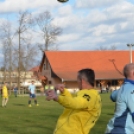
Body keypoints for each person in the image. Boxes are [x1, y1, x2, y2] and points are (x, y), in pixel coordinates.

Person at [46, 68, 101, 134]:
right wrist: (64, 92)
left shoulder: (91, 96)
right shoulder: (86, 94)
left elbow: (76, 103)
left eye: (77, 79)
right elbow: (74, 104)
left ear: (82, 81)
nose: (77, 82)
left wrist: (58, 98)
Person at [105, 63, 134, 134]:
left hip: (113, 128)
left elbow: (112, 96)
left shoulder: (124, 87)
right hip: (124, 130)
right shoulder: (131, 89)